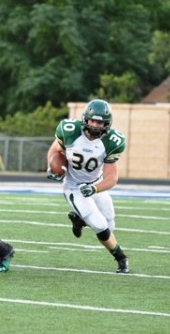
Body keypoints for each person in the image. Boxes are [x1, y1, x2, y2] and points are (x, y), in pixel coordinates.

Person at [46, 99, 129, 273]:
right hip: (74, 186)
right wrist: (53, 167)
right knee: (99, 225)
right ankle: (121, 258)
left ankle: (79, 220)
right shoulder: (70, 131)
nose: (95, 125)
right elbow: (55, 151)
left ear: (107, 124)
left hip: (95, 183)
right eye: (92, 120)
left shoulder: (112, 141)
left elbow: (112, 178)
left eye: (99, 122)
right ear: (86, 119)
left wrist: (94, 188)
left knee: (110, 225)